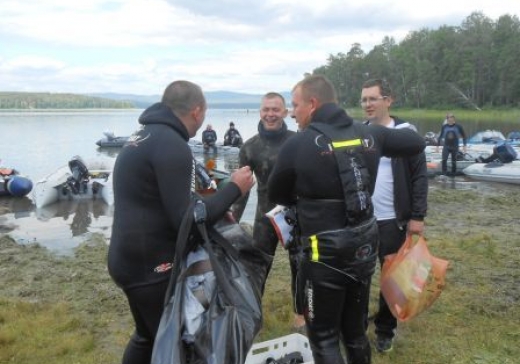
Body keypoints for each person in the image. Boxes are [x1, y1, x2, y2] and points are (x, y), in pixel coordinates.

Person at [267, 75, 425, 364]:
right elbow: (415, 142)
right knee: (355, 333)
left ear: (313, 104)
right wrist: (380, 135)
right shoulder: (370, 134)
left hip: (323, 253)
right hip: (363, 246)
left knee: (325, 337)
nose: (292, 112)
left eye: (296, 105)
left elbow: (276, 192)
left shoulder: (298, 144)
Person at [107, 80, 255, 364]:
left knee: (147, 336)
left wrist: (210, 202)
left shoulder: (142, 137)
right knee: (169, 341)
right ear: (197, 111)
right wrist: (234, 188)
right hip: (150, 267)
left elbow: (166, 198)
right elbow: (186, 220)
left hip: (127, 258)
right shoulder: (173, 146)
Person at [361, 79, 428, 353]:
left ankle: (385, 331)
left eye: (373, 99)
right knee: (358, 277)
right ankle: (356, 325)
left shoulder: (405, 133)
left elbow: (420, 177)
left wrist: (417, 216)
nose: (367, 104)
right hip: (362, 221)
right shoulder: (359, 133)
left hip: (393, 220)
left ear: (389, 100)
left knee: (392, 279)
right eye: (364, 100)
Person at [231, 92, 302, 328]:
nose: (270, 114)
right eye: (266, 110)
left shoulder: (298, 141)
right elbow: (242, 190)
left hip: (294, 215)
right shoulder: (250, 147)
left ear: (284, 112)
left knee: (299, 265)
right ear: (260, 112)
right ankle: (252, 314)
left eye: (275, 109)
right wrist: (232, 220)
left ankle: (300, 314)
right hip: (264, 217)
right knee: (256, 267)